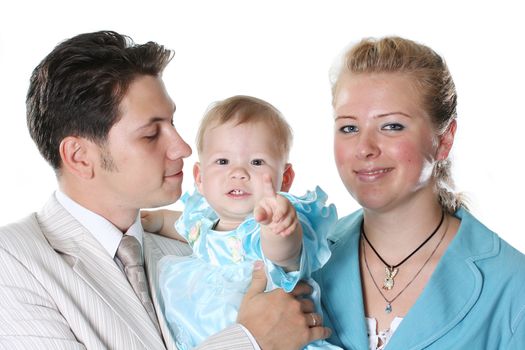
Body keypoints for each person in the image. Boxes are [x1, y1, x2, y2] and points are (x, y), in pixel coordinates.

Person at [0, 30, 330, 350]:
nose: (184, 148)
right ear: (79, 157)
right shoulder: (14, 260)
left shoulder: (197, 244)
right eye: (150, 134)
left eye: (172, 123)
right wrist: (251, 340)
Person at [313, 36, 525, 349]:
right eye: (349, 128)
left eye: (392, 126)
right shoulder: (303, 262)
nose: (364, 148)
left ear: (443, 140)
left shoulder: (512, 286)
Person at [141, 95, 339, 350]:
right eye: (223, 162)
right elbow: (185, 228)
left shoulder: (265, 230)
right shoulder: (203, 222)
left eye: (256, 162)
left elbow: (283, 254)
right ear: (200, 178)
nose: (238, 173)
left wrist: (279, 228)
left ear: (285, 177)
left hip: (275, 336)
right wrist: (156, 220)